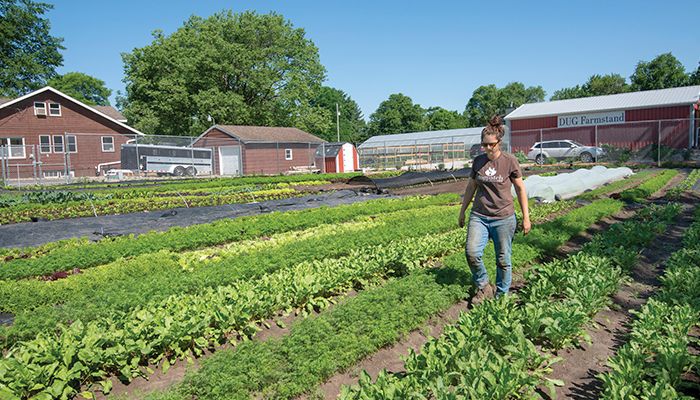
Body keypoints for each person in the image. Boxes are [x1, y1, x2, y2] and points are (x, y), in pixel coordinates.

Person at [458, 115, 530, 305]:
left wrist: (526, 217)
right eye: (484, 145)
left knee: (503, 259)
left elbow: (520, 189)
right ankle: (483, 286)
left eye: (491, 145)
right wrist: (462, 211)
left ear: (499, 142)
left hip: (504, 217)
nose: (488, 148)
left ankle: (501, 294)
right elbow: (471, 187)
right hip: (479, 215)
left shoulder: (510, 161)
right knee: (472, 252)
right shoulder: (478, 162)